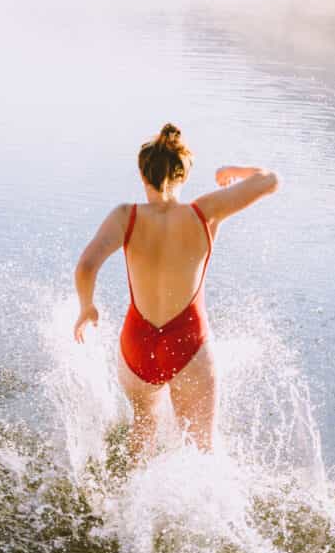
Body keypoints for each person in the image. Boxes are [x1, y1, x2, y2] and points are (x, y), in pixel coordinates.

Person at [73, 124, 279, 464]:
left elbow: (85, 266)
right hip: (188, 343)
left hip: (136, 344)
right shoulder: (204, 212)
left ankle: (127, 508)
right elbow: (270, 180)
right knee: (200, 449)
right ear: (184, 175)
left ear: (143, 174)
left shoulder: (126, 215)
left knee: (142, 432)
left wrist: (86, 307)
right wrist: (234, 171)